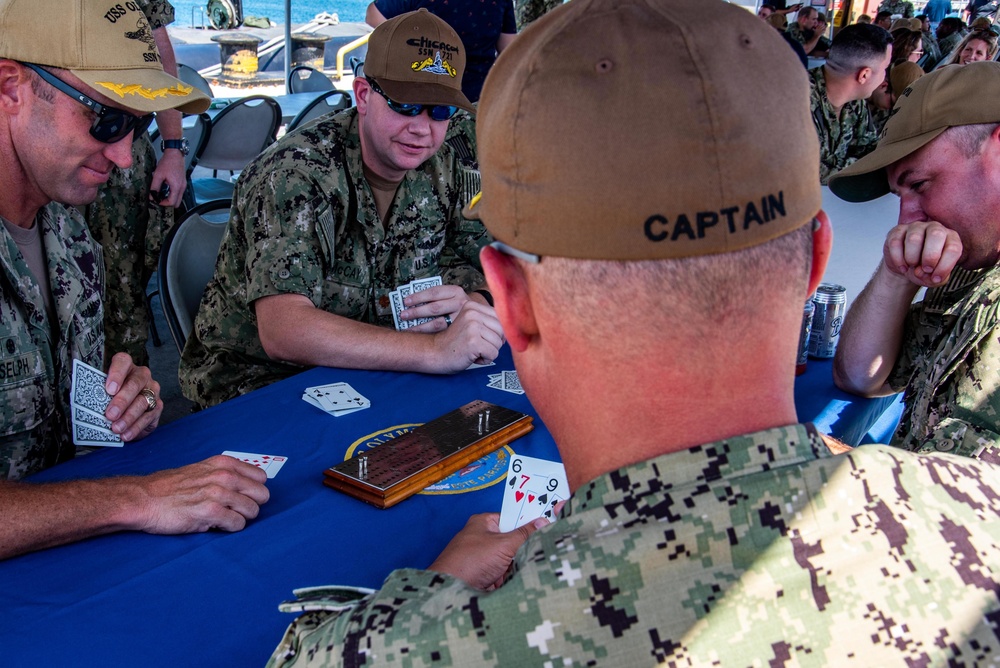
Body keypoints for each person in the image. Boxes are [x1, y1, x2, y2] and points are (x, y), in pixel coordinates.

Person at [266, 1, 1000, 665]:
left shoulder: (423, 648)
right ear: (816, 260)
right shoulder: (977, 525)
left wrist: (429, 595)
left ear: (512, 304)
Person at [0, 0, 270, 559]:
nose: (126, 157)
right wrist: (136, 498)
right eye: (108, 120)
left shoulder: (71, 239)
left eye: (140, 124)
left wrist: (126, 405)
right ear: (11, 88)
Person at [179, 10, 503, 408]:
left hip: (380, 368)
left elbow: (490, 260)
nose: (423, 127)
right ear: (363, 95)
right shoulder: (296, 174)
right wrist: (435, 351)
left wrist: (477, 303)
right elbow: (285, 330)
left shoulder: (446, 161)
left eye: (440, 111)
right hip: (258, 383)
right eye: (405, 105)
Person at [829, 61, 1000, 460]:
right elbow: (861, 377)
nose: (906, 219)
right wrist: (896, 274)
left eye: (920, 184)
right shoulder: (974, 268)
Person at [84, 0, 187, 366]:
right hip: (41, 148)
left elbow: (159, 54)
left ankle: (128, 395)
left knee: (124, 294)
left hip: (122, 148)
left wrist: (173, 148)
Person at [366, 0, 516, 103]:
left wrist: (413, 47)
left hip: (419, 98)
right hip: (479, 101)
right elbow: (510, 53)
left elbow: (374, 17)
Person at [808, 23, 892, 183]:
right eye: (884, 69)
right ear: (864, 75)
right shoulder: (792, 102)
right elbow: (809, 172)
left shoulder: (856, 103)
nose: (884, 78)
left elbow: (869, 150)